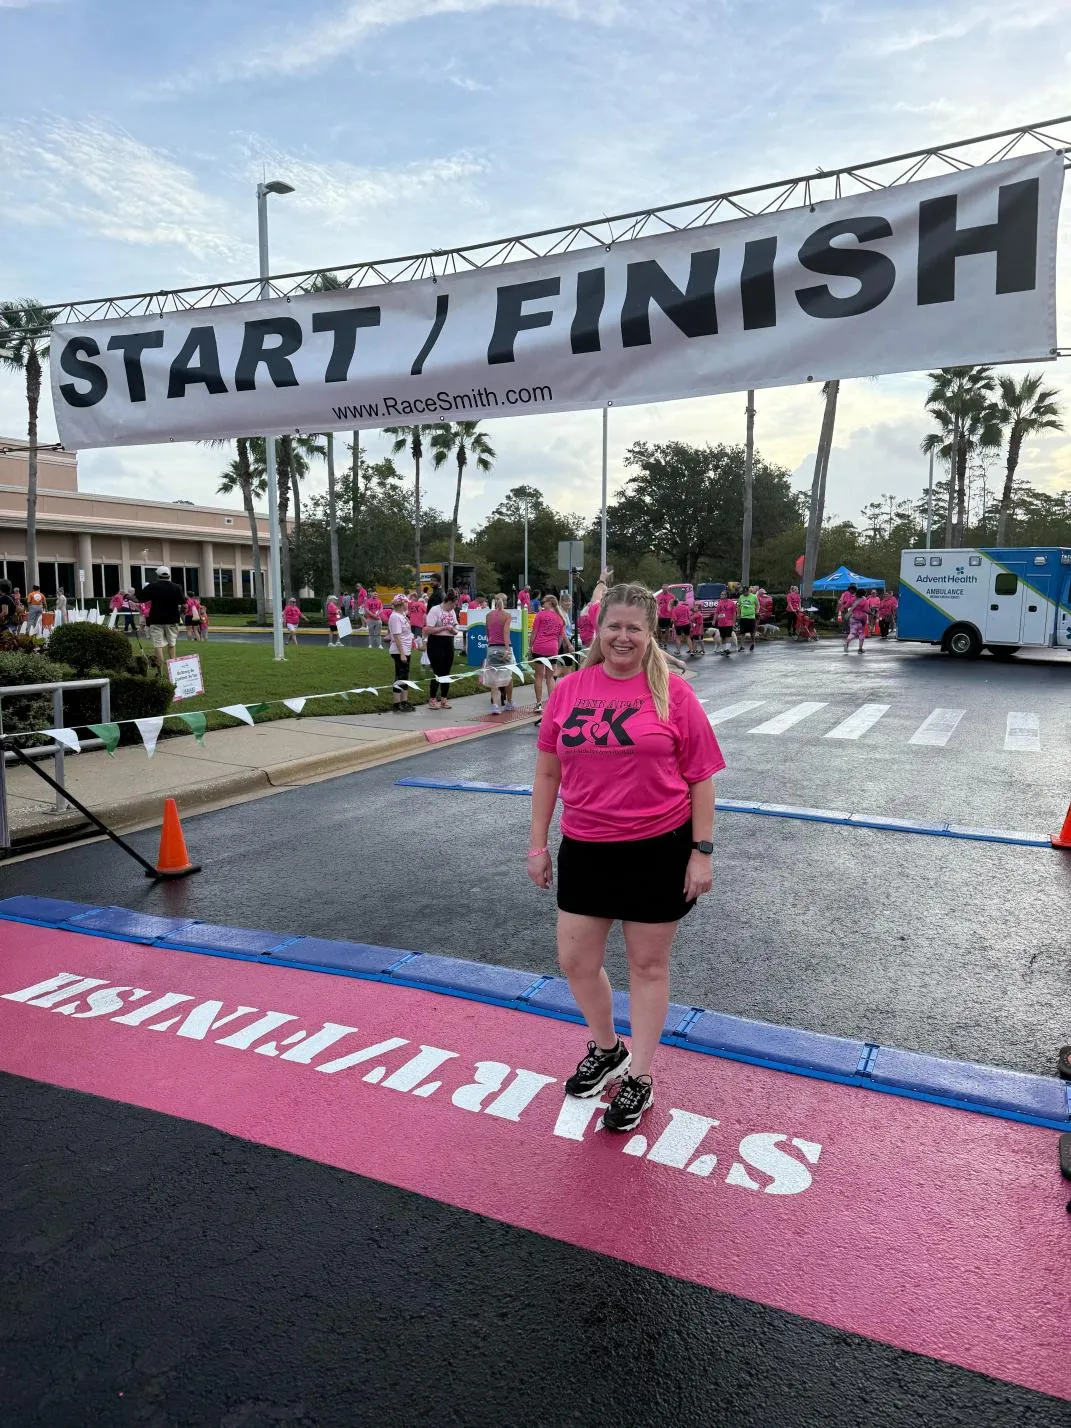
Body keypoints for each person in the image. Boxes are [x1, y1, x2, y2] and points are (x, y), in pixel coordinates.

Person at [527, 582, 724, 1132]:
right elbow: (548, 771)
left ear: (649, 632)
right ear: (597, 628)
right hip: (586, 847)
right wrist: (538, 844)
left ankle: (640, 1073)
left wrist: (701, 853)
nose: (622, 636)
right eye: (614, 625)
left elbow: (701, 778)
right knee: (575, 961)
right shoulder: (568, 690)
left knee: (647, 966)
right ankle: (608, 1047)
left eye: (634, 628)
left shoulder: (673, 694)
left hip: (657, 849)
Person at [138, 565, 185, 676]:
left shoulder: (152, 587)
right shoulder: (176, 587)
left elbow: (141, 598)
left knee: (158, 646)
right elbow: (182, 601)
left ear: (158, 575)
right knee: (172, 645)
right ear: (169, 575)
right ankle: (174, 673)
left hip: (156, 619)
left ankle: (160, 673)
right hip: (172, 620)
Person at [530, 593, 566, 713]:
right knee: (550, 677)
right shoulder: (560, 618)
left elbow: (534, 632)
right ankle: (552, 703)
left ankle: (539, 703)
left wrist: (530, 646)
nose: (542, 603)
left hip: (539, 647)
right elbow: (561, 638)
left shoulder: (540, 614)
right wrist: (556, 649)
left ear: (550, 603)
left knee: (539, 676)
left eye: (544, 602)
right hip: (552, 649)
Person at [425, 589, 460, 709]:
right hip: (436, 642)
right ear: (448, 601)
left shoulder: (452, 612)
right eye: (453, 604)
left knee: (446, 671)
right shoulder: (435, 610)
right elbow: (428, 629)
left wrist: (453, 630)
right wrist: (444, 627)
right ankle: (433, 699)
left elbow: (456, 627)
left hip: (448, 642)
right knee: (438, 671)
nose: (453, 607)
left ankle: (444, 698)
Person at [483, 594, 515, 714]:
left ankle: (495, 705)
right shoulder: (507, 615)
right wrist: (507, 649)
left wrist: (491, 642)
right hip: (504, 648)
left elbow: (487, 631)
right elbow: (506, 632)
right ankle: (509, 702)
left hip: (492, 648)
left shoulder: (488, 615)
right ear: (505, 603)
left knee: (493, 679)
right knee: (508, 677)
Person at [387, 594, 416, 712]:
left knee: (405, 676)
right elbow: (397, 636)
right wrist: (402, 653)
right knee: (400, 676)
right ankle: (397, 703)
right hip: (399, 650)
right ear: (401, 604)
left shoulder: (402, 615)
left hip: (406, 649)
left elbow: (407, 632)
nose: (408, 604)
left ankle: (404, 701)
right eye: (406, 602)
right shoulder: (395, 617)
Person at [713, 590, 738, 655]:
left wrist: (734, 621)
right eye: (721, 594)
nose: (721, 595)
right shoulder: (719, 603)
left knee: (728, 636)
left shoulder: (731, 603)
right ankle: (724, 649)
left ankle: (727, 649)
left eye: (723, 594)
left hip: (728, 622)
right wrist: (714, 620)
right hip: (721, 623)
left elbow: (734, 613)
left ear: (726, 595)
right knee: (722, 637)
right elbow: (716, 612)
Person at [844, 589, 869, 653]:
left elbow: (846, 606)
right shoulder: (864, 600)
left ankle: (847, 642)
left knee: (852, 633)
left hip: (853, 617)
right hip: (862, 618)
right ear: (863, 594)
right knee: (861, 633)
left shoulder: (852, 599)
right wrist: (872, 614)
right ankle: (860, 649)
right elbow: (866, 610)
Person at [738, 585, 759, 652]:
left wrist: (757, 611)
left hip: (751, 617)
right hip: (743, 616)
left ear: (748, 591)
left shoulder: (753, 597)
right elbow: (738, 606)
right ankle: (742, 646)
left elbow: (757, 605)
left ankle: (753, 643)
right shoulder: (741, 597)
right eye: (743, 592)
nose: (744, 593)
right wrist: (738, 614)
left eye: (745, 592)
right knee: (742, 632)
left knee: (752, 632)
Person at [655, 584, 675, 649]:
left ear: (668, 589)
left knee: (667, 630)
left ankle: (665, 643)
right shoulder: (659, 596)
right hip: (660, 616)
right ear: (662, 589)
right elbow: (656, 606)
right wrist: (657, 612)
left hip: (668, 616)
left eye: (666, 588)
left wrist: (672, 616)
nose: (664, 590)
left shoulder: (671, 596)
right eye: (663, 588)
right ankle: (660, 642)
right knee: (658, 630)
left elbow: (673, 607)